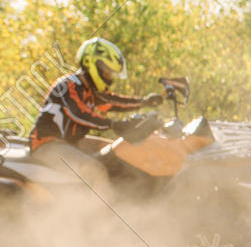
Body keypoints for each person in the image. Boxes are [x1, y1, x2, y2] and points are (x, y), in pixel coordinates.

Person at [28, 38, 161, 182]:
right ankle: (98, 204)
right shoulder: (68, 86)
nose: (109, 77)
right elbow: (79, 113)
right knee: (93, 169)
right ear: (93, 66)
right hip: (47, 145)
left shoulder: (90, 90)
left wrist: (143, 102)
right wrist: (113, 124)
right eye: (107, 72)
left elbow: (113, 101)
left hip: (70, 143)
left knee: (115, 151)